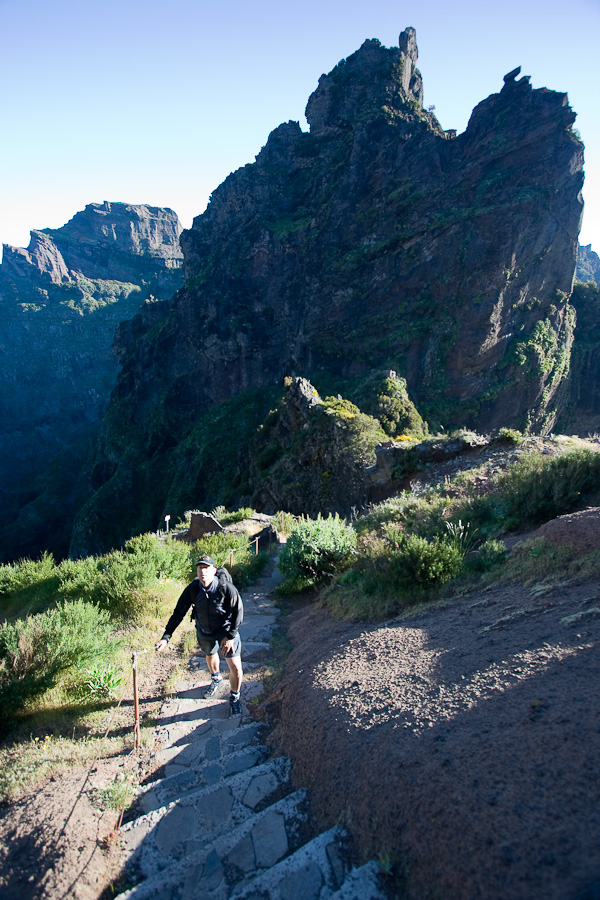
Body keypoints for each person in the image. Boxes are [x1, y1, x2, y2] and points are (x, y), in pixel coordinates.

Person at [155, 555, 244, 716]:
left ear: (214, 571)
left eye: (206, 568)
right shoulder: (193, 588)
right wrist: (166, 637)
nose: (203, 572)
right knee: (210, 655)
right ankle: (216, 679)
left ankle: (235, 697)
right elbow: (178, 613)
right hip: (205, 630)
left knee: (236, 668)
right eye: (200, 568)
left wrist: (230, 636)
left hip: (226, 630)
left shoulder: (225, 587)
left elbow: (238, 611)